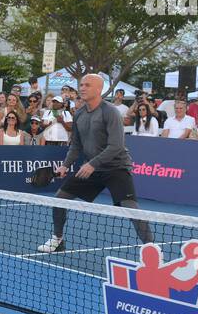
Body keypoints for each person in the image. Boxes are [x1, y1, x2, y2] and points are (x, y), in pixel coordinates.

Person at [37, 74, 154, 254]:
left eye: (87, 85)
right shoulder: (79, 115)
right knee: (60, 198)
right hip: (91, 169)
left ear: (98, 89)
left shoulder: (110, 112)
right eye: (81, 85)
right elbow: (76, 145)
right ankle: (58, 239)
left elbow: (116, 146)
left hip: (116, 167)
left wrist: (92, 164)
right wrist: (65, 165)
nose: (82, 88)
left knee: (130, 208)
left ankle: (151, 249)